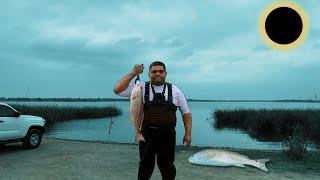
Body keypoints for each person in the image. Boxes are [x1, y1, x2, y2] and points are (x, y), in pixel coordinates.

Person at [113, 61, 192, 180]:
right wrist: (133, 73)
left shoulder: (175, 90)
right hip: (146, 135)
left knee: (167, 166)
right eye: (154, 71)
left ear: (166, 73)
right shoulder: (140, 88)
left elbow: (186, 113)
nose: (158, 74)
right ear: (149, 74)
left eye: (161, 71)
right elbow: (117, 90)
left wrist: (188, 133)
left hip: (167, 135)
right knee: (145, 165)